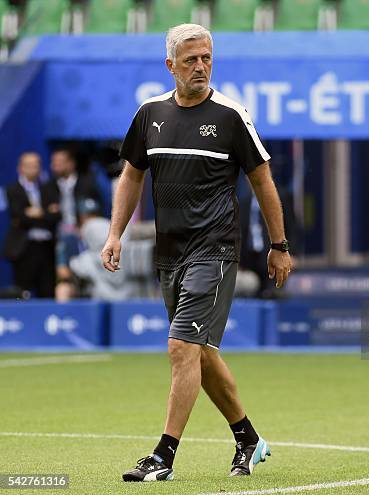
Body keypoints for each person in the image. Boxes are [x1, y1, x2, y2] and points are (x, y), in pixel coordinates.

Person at [101, 24, 292, 482]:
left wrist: (279, 245)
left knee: (181, 345)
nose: (201, 66)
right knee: (199, 353)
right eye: (191, 60)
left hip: (216, 251)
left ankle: (163, 456)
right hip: (168, 254)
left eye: (207, 57)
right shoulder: (150, 114)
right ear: (170, 65)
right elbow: (131, 176)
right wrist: (115, 234)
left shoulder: (230, 115)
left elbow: (263, 182)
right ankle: (248, 438)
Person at [3, 152, 61, 298]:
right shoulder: (13, 189)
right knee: (22, 291)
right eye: (29, 166)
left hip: (47, 246)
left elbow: (56, 216)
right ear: (20, 168)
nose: (33, 169)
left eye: (37, 165)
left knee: (47, 289)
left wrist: (36, 213)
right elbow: (19, 217)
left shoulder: (48, 188)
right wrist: (45, 213)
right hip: (24, 247)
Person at [49, 148, 102, 279]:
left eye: (60, 162)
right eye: (53, 162)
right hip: (57, 238)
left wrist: (83, 229)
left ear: (71, 163)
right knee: (63, 276)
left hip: (83, 238)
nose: (55, 166)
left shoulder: (87, 183)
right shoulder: (48, 187)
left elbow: (93, 213)